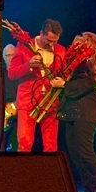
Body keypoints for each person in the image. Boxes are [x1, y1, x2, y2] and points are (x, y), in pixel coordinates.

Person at [51, 32, 96, 192]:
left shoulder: (91, 62)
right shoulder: (74, 61)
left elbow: (88, 84)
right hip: (72, 108)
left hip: (86, 109)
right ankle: (90, 189)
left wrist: (64, 84)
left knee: (84, 150)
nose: (75, 44)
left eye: (79, 42)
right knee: (74, 151)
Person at [8, 19, 66, 152]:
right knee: (24, 144)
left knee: (51, 146)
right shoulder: (24, 46)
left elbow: (64, 74)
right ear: (41, 33)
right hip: (27, 100)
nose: (52, 44)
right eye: (49, 40)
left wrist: (61, 81)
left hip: (50, 102)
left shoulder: (60, 50)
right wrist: (28, 65)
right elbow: (12, 73)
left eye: (55, 41)